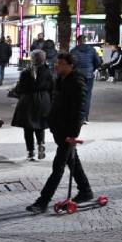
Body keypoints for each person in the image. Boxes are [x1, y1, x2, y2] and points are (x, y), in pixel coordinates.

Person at [27, 53, 94, 213]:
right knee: (73, 161)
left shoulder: (77, 82)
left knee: (58, 166)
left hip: (68, 131)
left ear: (71, 66)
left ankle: (43, 201)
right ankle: (85, 191)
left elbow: (79, 111)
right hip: (58, 128)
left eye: (61, 63)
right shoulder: (59, 80)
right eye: (57, 62)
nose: (57, 65)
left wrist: (73, 134)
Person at [11, 49, 53, 161]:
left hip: (27, 101)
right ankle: (41, 145)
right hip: (43, 100)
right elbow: (52, 88)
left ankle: (30, 152)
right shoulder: (48, 72)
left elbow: (20, 89)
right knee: (40, 126)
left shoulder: (25, 72)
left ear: (32, 59)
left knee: (28, 127)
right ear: (43, 59)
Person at [70, 35, 101, 122]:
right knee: (87, 96)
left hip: (77, 76)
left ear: (78, 41)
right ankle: (84, 116)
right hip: (88, 76)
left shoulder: (73, 51)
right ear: (85, 40)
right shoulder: (92, 50)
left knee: (76, 95)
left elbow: (70, 63)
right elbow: (98, 62)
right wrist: (92, 69)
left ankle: (77, 115)